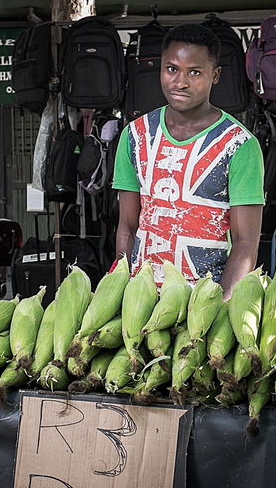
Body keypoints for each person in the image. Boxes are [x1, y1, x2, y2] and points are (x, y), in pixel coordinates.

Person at [113, 23, 264, 299]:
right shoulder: (135, 136)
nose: (180, 82)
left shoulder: (239, 146)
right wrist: (120, 290)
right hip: (142, 301)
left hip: (202, 302)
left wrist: (218, 309)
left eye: (194, 72)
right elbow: (128, 226)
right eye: (171, 69)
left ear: (215, 75)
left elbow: (246, 245)